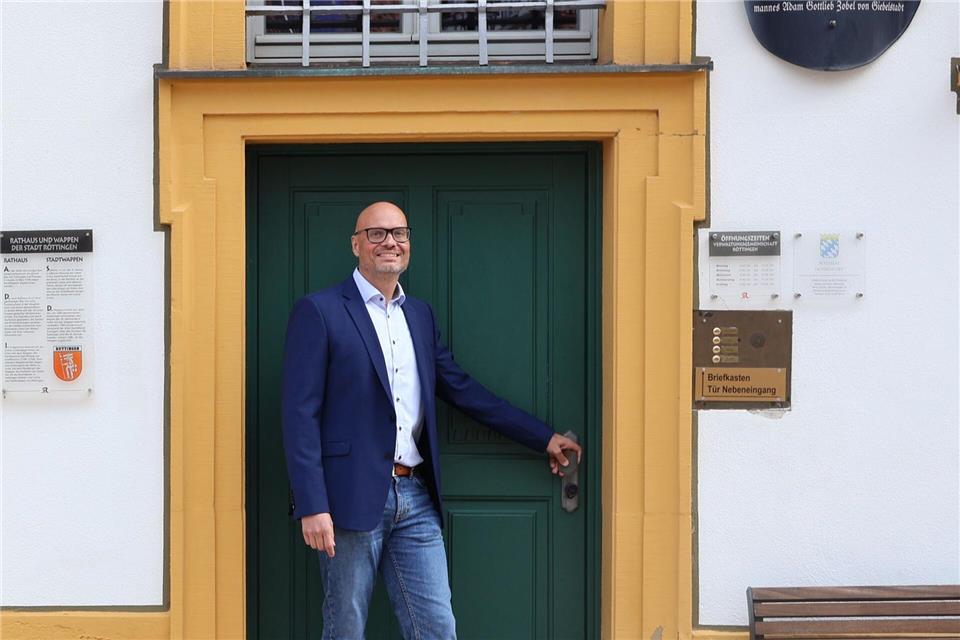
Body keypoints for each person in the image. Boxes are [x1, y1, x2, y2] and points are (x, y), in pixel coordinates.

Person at [282, 201, 581, 640]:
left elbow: (461, 389)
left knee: (437, 628)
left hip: (416, 497)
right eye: (377, 233)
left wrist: (542, 437)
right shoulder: (321, 311)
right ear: (356, 244)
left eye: (399, 233)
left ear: (408, 245)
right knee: (344, 627)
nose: (390, 242)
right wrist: (312, 504)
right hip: (347, 499)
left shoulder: (418, 315)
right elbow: (299, 413)